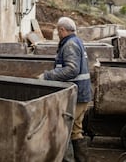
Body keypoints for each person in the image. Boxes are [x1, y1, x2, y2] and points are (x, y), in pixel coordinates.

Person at [39, 17, 92, 162]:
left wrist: (47, 76)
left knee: (65, 131)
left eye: (58, 31)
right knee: (75, 131)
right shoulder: (77, 41)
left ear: (62, 30)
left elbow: (71, 70)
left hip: (76, 95)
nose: (57, 33)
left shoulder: (69, 45)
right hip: (81, 93)